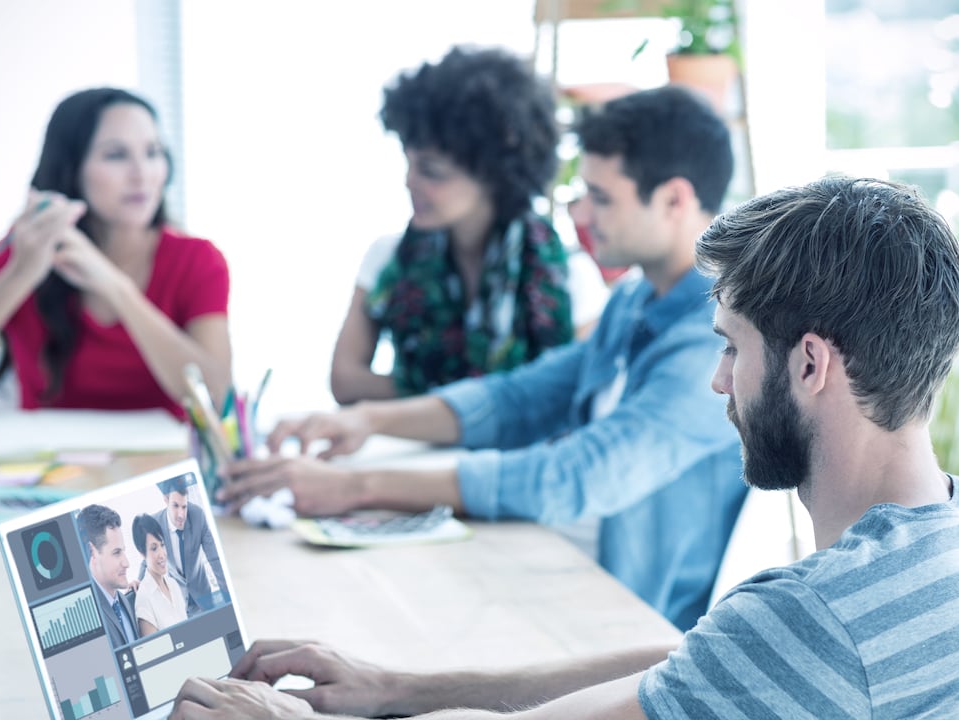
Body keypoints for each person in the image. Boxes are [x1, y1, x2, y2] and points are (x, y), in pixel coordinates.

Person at [170, 177, 959, 719]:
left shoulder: (823, 618)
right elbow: (703, 663)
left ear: (810, 364)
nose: (718, 382)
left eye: (733, 348)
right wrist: (401, 688)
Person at [223, 85, 748, 631]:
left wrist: (356, 486)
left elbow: (578, 475)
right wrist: (364, 420)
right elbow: (519, 397)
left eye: (602, 196)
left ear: (674, 200)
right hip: (558, 558)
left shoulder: (716, 339)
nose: (583, 212)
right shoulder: (638, 299)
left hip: (622, 615)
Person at [0, 87, 231, 419]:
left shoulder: (197, 260)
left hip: (165, 466)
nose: (141, 174)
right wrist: (21, 274)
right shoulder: (25, 249)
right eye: (116, 155)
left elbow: (218, 395)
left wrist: (117, 288)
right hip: (51, 465)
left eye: (153, 152)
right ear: (71, 167)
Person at [330, 46, 608, 405]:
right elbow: (345, 381)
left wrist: (435, 401)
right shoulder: (387, 257)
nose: (409, 181)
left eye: (431, 171)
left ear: (493, 175)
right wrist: (486, 399)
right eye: (409, 163)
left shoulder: (570, 275)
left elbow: (576, 394)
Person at [142, 477, 227, 613]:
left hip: (203, 596)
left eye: (184, 506)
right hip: (178, 602)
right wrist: (138, 583)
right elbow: (147, 560)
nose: (181, 514)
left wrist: (228, 597)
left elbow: (215, 558)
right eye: (175, 506)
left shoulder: (197, 516)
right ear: (166, 500)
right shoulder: (154, 523)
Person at [78, 503, 139, 648]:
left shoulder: (124, 602)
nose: (126, 563)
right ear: (92, 552)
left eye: (123, 551)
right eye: (116, 553)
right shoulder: (87, 617)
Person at [132, 512, 189, 636]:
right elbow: (154, 652)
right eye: (154, 548)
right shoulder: (144, 597)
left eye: (162, 545)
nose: (162, 554)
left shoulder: (173, 585)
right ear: (142, 553)